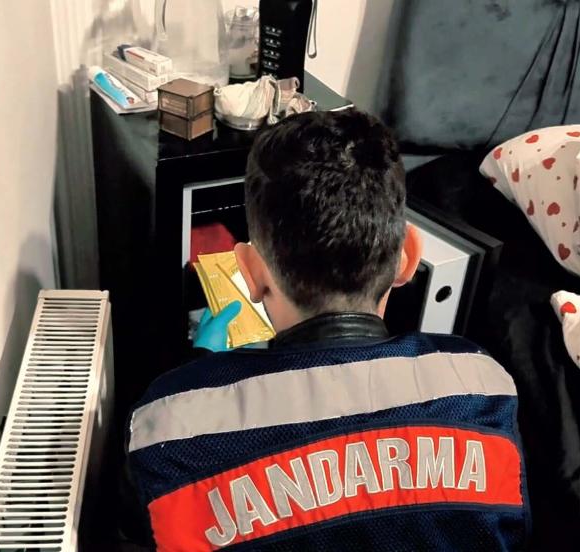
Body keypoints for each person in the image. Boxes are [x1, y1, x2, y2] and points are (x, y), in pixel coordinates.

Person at [124, 109, 529, 550]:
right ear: (408, 258)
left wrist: (203, 374)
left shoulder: (163, 427)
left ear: (251, 272)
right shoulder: (485, 386)